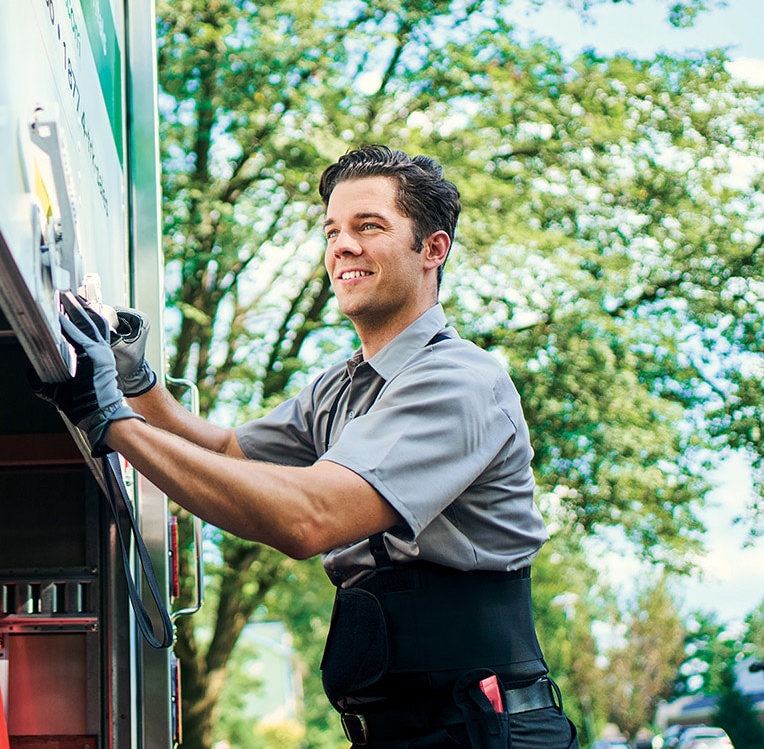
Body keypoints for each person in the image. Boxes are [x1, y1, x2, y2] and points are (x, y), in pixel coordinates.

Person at [38, 146, 579, 748]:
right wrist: (137, 385)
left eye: (368, 226)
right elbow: (225, 453)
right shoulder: (338, 389)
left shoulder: (458, 383)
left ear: (433, 249)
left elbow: (307, 517)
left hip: (489, 730)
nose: (342, 245)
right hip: (397, 730)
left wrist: (109, 419)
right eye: (333, 231)